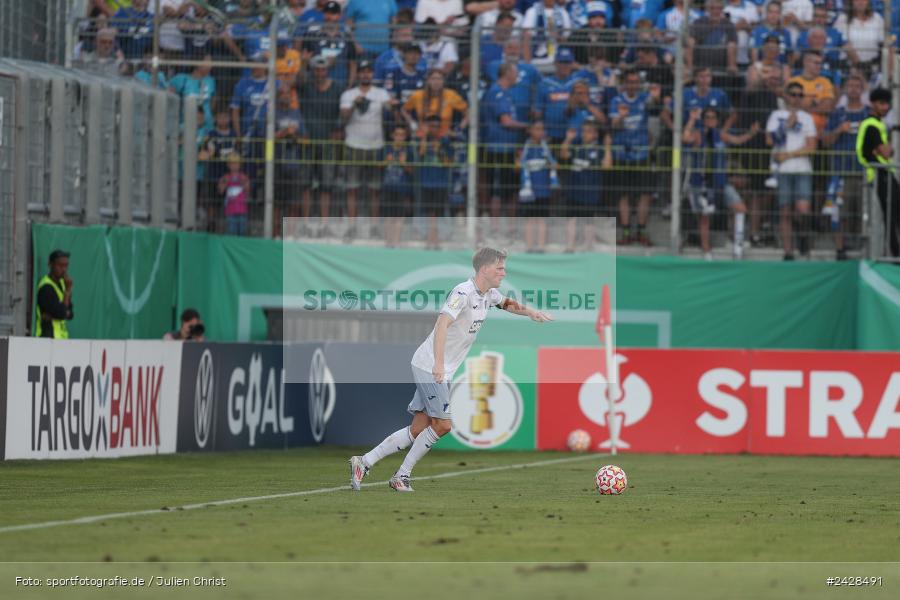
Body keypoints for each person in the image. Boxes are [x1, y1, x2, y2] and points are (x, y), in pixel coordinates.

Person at [349, 248, 553, 493]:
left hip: (439, 368)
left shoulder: (488, 294)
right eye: (499, 267)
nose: (503, 272)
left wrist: (531, 313)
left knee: (418, 429)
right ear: (484, 269)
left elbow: (506, 303)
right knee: (443, 425)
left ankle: (365, 462)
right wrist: (438, 363)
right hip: (431, 366)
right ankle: (401, 476)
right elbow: (442, 323)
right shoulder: (462, 292)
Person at [684, 107, 759, 260]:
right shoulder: (699, 135)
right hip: (701, 182)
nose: (710, 120)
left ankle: (738, 245)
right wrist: (692, 119)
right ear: (703, 120)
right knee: (705, 217)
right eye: (707, 117)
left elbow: (737, 140)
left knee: (740, 208)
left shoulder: (721, 135)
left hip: (720, 181)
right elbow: (685, 138)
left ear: (717, 121)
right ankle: (706, 251)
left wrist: (751, 133)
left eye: (713, 117)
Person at [340, 60, 394, 240]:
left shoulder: (381, 93)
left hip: (376, 145)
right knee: (352, 189)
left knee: (375, 190)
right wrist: (354, 104)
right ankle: (352, 227)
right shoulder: (349, 94)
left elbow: (391, 108)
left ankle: (374, 227)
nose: (365, 75)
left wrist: (392, 105)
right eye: (362, 71)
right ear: (358, 74)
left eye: (368, 72)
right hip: (353, 145)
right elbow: (343, 117)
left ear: (372, 74)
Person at [766, 81, 817, 260]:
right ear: (786, 96)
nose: (796, 98)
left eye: (800, 95)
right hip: (782, 171)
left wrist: (789, 155)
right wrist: (786, 125)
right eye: (793, 94)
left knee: (803, 209)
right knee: (784, 211)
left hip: (802, 169)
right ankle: (788, 251)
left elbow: (811, 146)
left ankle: (802, 236)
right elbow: (770, 141)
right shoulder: (776, 115)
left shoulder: (807, 118)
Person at [609, 68, 659, 246]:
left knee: (644, 194)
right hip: (621, 154)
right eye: (629, 82)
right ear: (624, 83)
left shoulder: (643, 98)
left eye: (635, 82)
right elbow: (613, 125)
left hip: (642, 154)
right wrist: (621, 117)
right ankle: (626, 231)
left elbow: (653, 104)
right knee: (624, 195)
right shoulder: (616, 100)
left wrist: (655, 97)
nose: (632, 85)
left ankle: (641, 230)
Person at [822, 74, 868, 259]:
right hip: (842, 171)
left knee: (865, 213)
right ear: (845, 89)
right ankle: (840, 250)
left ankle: (866, 249)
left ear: (862, 89)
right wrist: (838, 130)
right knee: (840, 213)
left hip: (865, 172)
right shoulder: (837, 114)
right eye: (850, 85)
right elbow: (825, 141)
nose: (854, 89)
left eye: (857, 86)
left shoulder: (869, 113)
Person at [299, 55, 344, 238]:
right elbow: (297, 80)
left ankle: (325, 223)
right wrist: (303, 63)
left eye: (323, 69)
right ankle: (306, 222)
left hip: (328, 142)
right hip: (308, 142)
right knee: (306, 185)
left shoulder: (337, 89)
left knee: (326, 185)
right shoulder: (306, 86)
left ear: (328, 70)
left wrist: (339, 129)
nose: (319, 73)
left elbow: (343, 111)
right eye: (316, 69)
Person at [856, 87, 900, 257]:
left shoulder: (874, 124)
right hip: (879, 173)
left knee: (892, 213)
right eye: (881, 103)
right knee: (891, 215)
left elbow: (882, 151)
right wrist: (887, 149)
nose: (885, 107)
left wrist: (884, 150)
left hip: (882, 172)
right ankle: (895, 253)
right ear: (873, 104)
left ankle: (893, 251)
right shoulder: (873, 125)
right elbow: (886, 152)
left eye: (887, 104)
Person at [560, 118, 612, 252]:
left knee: (589, 219)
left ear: (595, 134)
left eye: (589, 131)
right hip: (574, 188)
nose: (585, 134)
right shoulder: (576, 145)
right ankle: (570, 246)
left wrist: (607, 147)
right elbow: (563, 155)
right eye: (583, 131)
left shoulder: (599, 148)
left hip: (591, 192)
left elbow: (607, 166)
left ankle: (589, 247)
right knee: (571, 218)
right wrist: (568, 139)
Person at [381, 123, 415, 247]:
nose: (399, 137)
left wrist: (403, 163)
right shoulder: (387, 149)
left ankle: (396, 241)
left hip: (402, 188)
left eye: (402, 135)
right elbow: (378, 166)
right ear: (392, 136)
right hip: (388, 186)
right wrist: (387, 161)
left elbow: (412, 171)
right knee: (388, 216)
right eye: (397, 135)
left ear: (405, 137)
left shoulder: (408, 150)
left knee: (399, 216)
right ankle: (388, 242)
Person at [34, 250, 74, 339]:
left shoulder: (63, 284)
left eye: (66, 266)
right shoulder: (46, 287)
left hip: (60, 339)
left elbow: (70, 314)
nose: (64, 269)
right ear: (50, 265)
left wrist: (62, 313)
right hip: (47, 338)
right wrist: (67, 292)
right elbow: (62, 313)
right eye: (60, 265)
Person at [218, 153, 251, 236]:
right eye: (232, 164)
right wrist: (224, 182)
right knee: (231, 231)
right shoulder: (226, 177)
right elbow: (220, 191)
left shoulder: (243, 177)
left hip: (242, 209)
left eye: (236, 163)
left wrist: (244, 182)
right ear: (228, 165)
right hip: (230, 210)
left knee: (242, 232)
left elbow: (248, 190)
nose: (234, 166)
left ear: (240, 165)